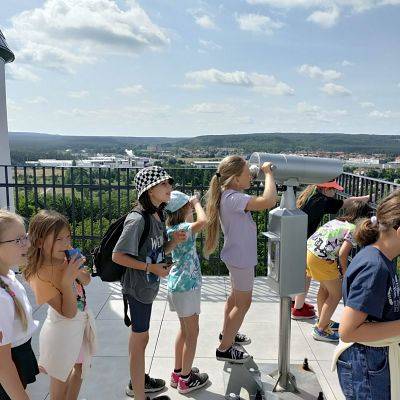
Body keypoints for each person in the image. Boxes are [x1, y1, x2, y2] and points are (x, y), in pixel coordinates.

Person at [112, 166, 186, 400]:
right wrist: (150, 268)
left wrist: (172, 243)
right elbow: (118, 255)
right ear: (149, 189)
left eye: (169, 183)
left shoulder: (158, 215)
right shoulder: (137, 220)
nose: (169, 188)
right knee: (140, 339)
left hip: (147, 286)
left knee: (141, 338)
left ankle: (139, 383)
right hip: (137, 287)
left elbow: (155, 251)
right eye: (163, 184)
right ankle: (139, 393)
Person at [204, 155, 277, 363]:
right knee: (244, 303)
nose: (251, 178)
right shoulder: (233, 198)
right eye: (247, 174)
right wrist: (269, 173)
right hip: (241, 259)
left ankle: (228, 333)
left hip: (236, 255)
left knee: (235, 299)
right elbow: (269, 201)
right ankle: (225, 348)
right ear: (235, 179)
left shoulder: (229, 195)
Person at [333, 189, 400, 400]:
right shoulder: (374, 267)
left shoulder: (381, 258)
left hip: (371, 362)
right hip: (366, 364)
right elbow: (348, 331)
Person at [24, 210, 96, 400]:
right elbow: (68, 312)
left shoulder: (66, 259)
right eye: (58, 239)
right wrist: (66, 281)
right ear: (39, 242)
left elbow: (87, 281)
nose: (66, 243)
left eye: (67, 237)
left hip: (80, 326)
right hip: (61, 333)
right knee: (60, 381)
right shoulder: (39, 274)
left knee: (81, 368)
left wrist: (78, 270)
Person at [292, 180, 370, 319]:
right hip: (307, 243)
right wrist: (365, 198)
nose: (335, 193)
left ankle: (298, 304)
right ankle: (299, 309)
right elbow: (347, 202)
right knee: (329, 289)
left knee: (309, 276)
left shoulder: (310, 195)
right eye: (333, 190)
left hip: (308, 243)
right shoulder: (322, 201)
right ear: (325, 189)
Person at [306, 201, 372, 342]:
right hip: (323, 259)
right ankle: (321, 329)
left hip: (310, 253)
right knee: (336, 294)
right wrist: (345, 270)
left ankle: (323, 320)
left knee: (324, 288)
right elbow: (343, 254)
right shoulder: (353, 229)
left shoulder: (336, 221)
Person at [165, 190, 209, 394]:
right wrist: (197, 202)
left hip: (177, 285)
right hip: (187, 286)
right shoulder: (183, 227)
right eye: (188, 206)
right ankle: (185, 379)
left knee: (184, 330)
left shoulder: (170, 228)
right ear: (183, 210)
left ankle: (178, 372)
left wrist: (190, 204)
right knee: (193, 333)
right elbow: (204, 221)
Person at [0, 210, 39, 400]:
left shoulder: (8, 277)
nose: (27, 244)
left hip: (17, 360)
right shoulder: (1, 298)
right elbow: (2, 364)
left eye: (25, 237)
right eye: (18, 240)